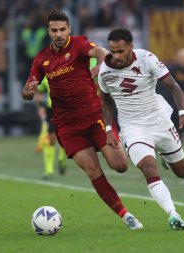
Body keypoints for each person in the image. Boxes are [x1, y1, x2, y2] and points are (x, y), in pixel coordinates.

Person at [21, 10, 142, 229]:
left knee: (120, 165)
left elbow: (101, 50)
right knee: (93, 171)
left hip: (94, 116)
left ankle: (126, 139)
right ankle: (126, 216)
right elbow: (27, 91)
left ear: (69, 29)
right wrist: (28, 91)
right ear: (48, 32)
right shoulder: (41, 58)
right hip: (67, 126)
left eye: (62, 29)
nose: (59, 34)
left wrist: (99, 62)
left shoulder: (79, 44)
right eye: (54, 30)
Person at [98, 28, 184, 230]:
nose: (115, 56)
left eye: (120, 51)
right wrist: (108, 128)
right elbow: (105, 101)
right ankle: (173, 214)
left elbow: (173, 86)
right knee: (148, 168)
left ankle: (165, 156)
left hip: (159, 121)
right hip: (132, 128)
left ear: (131, 47)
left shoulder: (147, 58)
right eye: (112, 51)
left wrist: (183, 113)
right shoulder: (105, 72)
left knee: (182, 173)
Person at [35, 77, 67, 180]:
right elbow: (39, 92)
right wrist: (40, 106)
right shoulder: (46, 74)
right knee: (51, 139)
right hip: (52, 109)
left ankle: (62, 157)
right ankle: (49, 170)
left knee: (65, 136)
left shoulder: (69, 69)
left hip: (67, 108)